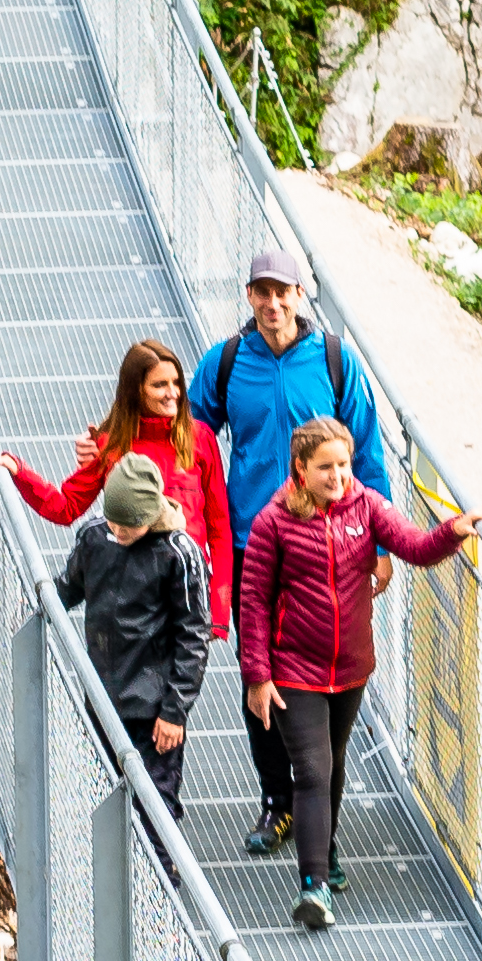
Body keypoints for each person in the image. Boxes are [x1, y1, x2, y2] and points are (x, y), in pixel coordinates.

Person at [183, 240, 393, 854]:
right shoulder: (226, 363)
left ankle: (318, 806)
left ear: (301, 297)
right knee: (260, 673)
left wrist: (378, 542)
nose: (273, 303)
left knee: (330, 677)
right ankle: (277, 800)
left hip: (332, 545)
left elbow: (368, 451)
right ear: (249, 297)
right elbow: (186, 438)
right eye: (263, 293)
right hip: (253, 543)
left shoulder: (333, 361)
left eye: (284, 292)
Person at [232, 414, 470, 930]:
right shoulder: (273, 521)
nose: (337, 476)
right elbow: (251, 600)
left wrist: (452, 532)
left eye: (343, 465)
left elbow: (412, 546)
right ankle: (314, 886)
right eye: (325, 467)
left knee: (335, 763)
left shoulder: (365, 506)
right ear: (300, 467)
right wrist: (257, 674)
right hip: (294, 668)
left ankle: (327, 849)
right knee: (313, 770)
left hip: (351, 668)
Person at [6, 338, 230, 633]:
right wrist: (19, 471)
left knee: (179, 679)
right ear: (136, 390)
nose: (172, 393)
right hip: (129, 598)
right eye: (159, 385)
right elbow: (66, 507)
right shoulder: (110, 443)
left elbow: (219, 527)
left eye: (176, 382)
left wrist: (219, 612)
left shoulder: (200, 438)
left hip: (184, 595)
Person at [55, 450, 210, 815]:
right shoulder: (96, 537)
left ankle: (164, 872)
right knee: (101, 798)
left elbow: (194, 637)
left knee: (155, 805)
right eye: (114, 522)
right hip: (102, 698)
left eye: (130, 525)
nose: (120, 531)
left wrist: (174, 712)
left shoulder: (177, 553)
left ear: (152, 515)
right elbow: (68, 588)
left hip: (153, 707)